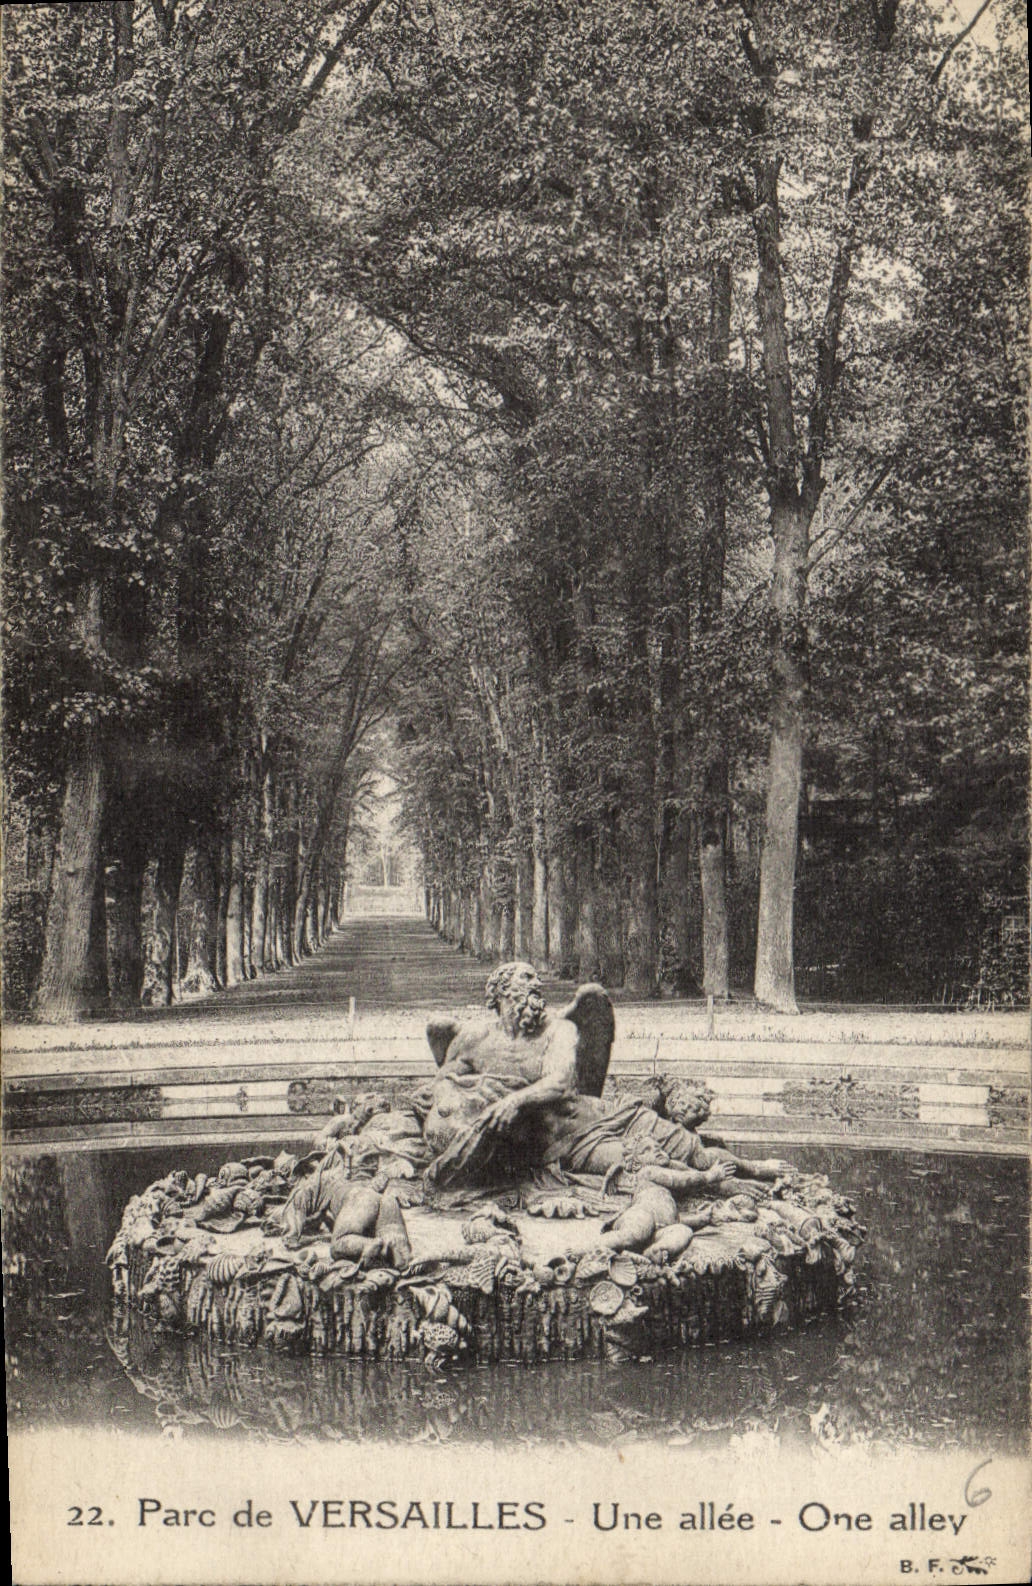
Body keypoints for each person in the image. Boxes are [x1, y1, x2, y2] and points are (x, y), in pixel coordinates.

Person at [424, 962, 791, 1190]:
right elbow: (443, 1082)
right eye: (526, 988)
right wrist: (458, 1104)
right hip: (564, 1143)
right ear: (501, 993)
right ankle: (717, 1186)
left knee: (685, 1145)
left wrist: (514, 1099)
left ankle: (754, 1169)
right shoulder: (473, 1038)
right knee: (644, 1162)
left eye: (538, 990)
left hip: (597, 1115)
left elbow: (562, 1081)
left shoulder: (559, 1031)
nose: (536, 997)